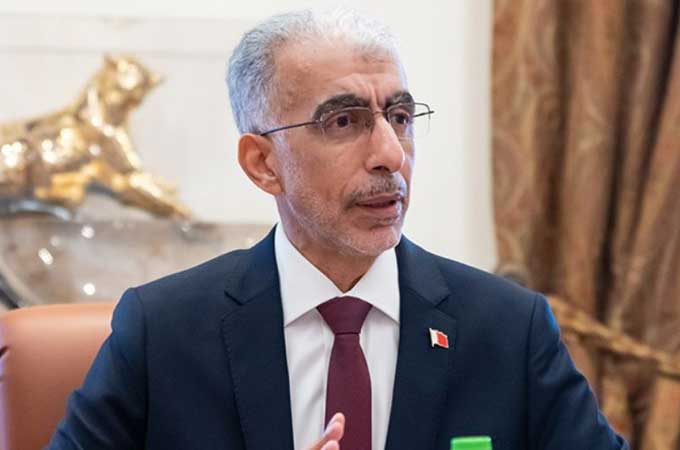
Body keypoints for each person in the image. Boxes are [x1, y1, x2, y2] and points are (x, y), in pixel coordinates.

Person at [47, 8, 629, 450]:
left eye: (400, 117)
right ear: (263, 163)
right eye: (344, 121)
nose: (390, 155)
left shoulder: (508, 329)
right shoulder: (163, 331)